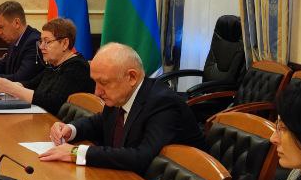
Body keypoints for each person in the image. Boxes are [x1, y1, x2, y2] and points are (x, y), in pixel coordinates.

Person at [40, 43, 203, 171]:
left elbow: (142, 156)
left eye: (103, 82)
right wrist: (70, 129)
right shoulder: (121, 95)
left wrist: (76, 152)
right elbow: (100, 122)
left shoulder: (163, 103)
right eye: (95, 82)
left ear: (132, 77)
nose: (97, 92)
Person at [0, 18, 94, 117]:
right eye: (41, 41)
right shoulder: (53, 65)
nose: (41, 46)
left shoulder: (77, 67)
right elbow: (32, 84)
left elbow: (53, 103)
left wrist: (13, 89)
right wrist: (6, 86)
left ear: (65, 43)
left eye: (47, 42)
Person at [0, 0, 43, 84]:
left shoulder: (34, 42)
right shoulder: (15, 39)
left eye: (1, 27)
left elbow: (20, 78)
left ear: (17, 23)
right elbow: (2, 64)